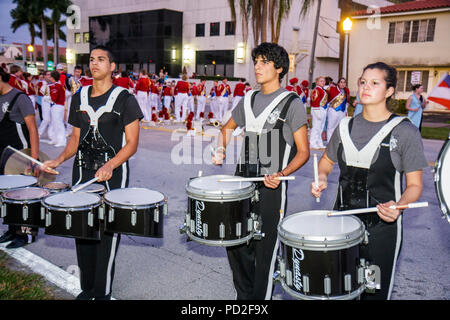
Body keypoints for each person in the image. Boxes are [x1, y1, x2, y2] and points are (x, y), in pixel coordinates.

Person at [311, 62, 427, 300]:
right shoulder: (344, 126)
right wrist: (321, 179)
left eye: (375, 83)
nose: (366, 87)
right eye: (363, 82)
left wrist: (399, 205)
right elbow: (325, 162)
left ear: (389, 91)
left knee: (373, 294)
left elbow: (415, 186)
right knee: (339, 291)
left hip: (382, 230)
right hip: (341, 226)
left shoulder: (404, 132)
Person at [42, 45, 143, 300]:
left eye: (101, 59)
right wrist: (58, 159)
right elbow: (75, 139)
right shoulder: (79, 96)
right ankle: (87, 289)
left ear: (112, 67)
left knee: (107, 232)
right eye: (91, 59)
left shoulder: (125, 99)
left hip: (113, 173)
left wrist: (110, 165)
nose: (94, 63)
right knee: (83, 229)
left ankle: (102, 292)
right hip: (81, 172)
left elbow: (132, 143)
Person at [212, 42, 310, 300]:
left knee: (264, 251)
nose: (257, 66)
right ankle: (244, 298)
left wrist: (281, 173)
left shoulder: (291, 103)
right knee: (235, 244)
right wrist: (220, 149)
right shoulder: (248, 99)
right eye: (256, 62)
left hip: (271, 188)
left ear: (279, 68)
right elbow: (226, 128)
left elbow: (303, 152)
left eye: (264, 62)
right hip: (241, 183)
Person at [0, 67, 40, 248]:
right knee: (6, 196)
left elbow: (33, 129)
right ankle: (11, 230)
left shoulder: (20, 98)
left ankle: (25, 235)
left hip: (20, 154)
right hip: (2, 155)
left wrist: (34, 160)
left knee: (23, 197)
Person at [326, 77, 350, 142]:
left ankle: (336, 142)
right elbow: (324, 94)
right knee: (331, 126)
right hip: (333, 110)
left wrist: (346, 111)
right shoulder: (331, 88)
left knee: (339, 127)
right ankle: (329, 142)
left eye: (344, 82)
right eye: (341, 82)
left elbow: (347, 101)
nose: (342, 84)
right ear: (338, 83)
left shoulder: (346, 90)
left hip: (342, 111)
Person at [47, 71, 67, 147]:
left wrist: (48, 98)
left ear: (52, 78)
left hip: (57, 106)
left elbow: (54, 98)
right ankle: (55, 139)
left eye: (50, 76)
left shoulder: (56, 86)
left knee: (58, 123)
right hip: (57, 106)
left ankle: (61, 140)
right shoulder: (58, 85)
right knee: (55, 123)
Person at [309, 76, 328, 149]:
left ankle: (319, 142)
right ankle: (312, 143)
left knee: (321, 128)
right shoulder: (316, 90)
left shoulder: (322, 90)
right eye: (321, 81)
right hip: (317, 109)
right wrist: (317, 112)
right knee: (316, 127)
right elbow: (314, 101)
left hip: (322, 109)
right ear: (317, 82)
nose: (323, 82)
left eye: (324, 81)